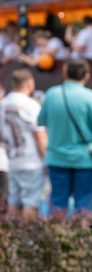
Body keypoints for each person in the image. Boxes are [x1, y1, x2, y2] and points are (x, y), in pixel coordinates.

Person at [37, 59, 92, 216]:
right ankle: (80, 238)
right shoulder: (89, 97)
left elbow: (41, 121)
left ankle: (55, 237)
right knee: (84, 204)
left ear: (65, 73)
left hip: (56, 157)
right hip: (85, 159)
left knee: (58, 203)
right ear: (86, 76)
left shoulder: (51, 94)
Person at [0, 69, 46, 221]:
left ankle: (12, 239)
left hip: (12, 158)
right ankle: (28, 241)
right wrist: (45, 158)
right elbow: (39, 135)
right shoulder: (31, 105)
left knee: (14, 201)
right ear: (29, 83)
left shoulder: (2, 104)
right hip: (31, 159)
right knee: (30, 203)